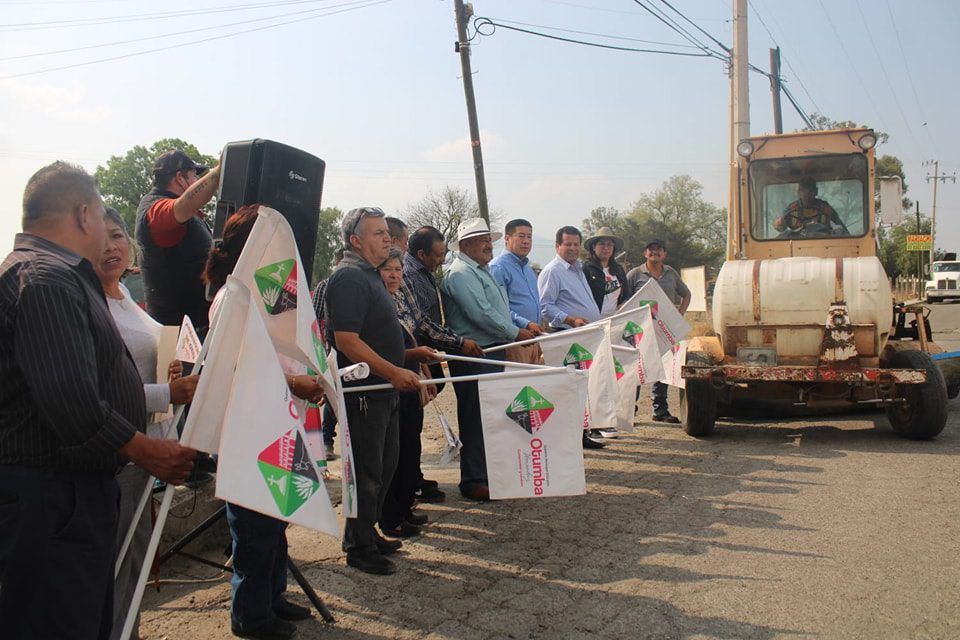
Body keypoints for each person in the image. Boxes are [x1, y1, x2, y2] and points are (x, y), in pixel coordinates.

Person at [0, 161, 196, 640]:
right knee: (59, 621)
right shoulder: (45, 279)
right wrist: (147, 449)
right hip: (53, 500)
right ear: (85, 214)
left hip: (62, 495)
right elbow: (73, 405)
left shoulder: (49, 275)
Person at [202, 205, 325, 640]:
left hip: (283, 421)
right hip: (250, 428)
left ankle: (273, 596)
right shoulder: (231, 299)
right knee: (253, 527)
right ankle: (250, 617)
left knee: (277, 517)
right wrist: (296, 383)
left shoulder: (271, 297)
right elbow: (238, 368)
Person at [96, 207, 200, 640]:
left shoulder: (127, 300)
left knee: (133, 565)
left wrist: (168, 373)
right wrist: (166, 394)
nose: (111, 246)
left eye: (118, 235)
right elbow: (91, 396)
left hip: (147, 453)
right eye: (99, 237)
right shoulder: (86, 305)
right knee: (112, 568)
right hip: (117, 455)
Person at [324, 207, 421, 575]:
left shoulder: (370, 275)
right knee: (367, 471)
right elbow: (347, 341)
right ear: (355, 241)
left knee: (384, 466)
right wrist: (394, 371)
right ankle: (358, 545)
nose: (388, 238)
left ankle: (369, 530)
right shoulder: (349, 278)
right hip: (365, 393)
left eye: (387, 232)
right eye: (378, 233)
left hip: (383, 391)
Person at [441, 218, 535, 501]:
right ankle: (472, 480)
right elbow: (481, 314)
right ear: (466, 244)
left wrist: (514, 330)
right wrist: (514, 332)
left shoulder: (480, 271)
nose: (488, 245)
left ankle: (486, 473)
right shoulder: (459, 274)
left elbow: (498, 309)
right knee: (474, 417)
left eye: (488, 239)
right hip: (474, 354)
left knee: (489, 416)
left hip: (491, 351)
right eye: (482, 240)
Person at [403, 225, 485, 503]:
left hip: (429, 353)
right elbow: (420, 324)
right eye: (437, 255)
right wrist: (459, 343)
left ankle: (413, 477)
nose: (441, 260)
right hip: (416, 356)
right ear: (421, 253)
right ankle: (409, 481)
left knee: (416, 419)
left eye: (444, 254)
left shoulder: (424, 272)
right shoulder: (408, 274)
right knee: (410, 422)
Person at [377, 248, 439, 538]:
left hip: (411, 379)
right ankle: (390, 517)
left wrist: (423, 368)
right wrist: (414, 354)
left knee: (409, 447)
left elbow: (413, 335)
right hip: (388, 385)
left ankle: (403, 509)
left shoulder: (397, 299)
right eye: (388, 269)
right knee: (392, 454)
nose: (394, 275)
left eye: (399, 269)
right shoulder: (375, 303)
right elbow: (381, 352)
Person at [135, 149, 221, 330]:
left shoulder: (187, 216)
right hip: (181, 336)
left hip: (195, 329)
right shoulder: (156, 209)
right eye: (193, 176)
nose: (197, 181)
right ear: (180, 178)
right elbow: (183, 206)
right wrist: (218, 172)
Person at [538, 225, 608, 448]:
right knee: (569, 391)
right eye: (567, 244)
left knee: (581, 390)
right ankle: (568, 440)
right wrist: (570, 319)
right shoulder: (552, 271)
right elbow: (545, 306)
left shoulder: (578, 269)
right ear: (557, 245)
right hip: (567, 338)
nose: (572, 248)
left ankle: (580, 434)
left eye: (576, 244)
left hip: (584, 337)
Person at [626, 239, 691, 424]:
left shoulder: (671, 273)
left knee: (663, 370)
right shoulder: (634, 274)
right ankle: (630, 411)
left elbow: (686, 294)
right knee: (636, 370)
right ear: (645, 253)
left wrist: (680, 312)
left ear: (664, 254)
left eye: (659, 250)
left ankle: (660, 410)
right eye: (651, 250)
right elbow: (624, 299)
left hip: (664, 330)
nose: (655, 252)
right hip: (639, 331)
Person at [489, 218, 544, 364]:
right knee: (522, 386)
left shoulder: (527, 268)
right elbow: (499, 308)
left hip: (534, 339)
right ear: (507, 238)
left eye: (529, 237)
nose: (526, 241)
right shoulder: (498, 267)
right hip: (515, 341)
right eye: (521, 236)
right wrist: (526, 323)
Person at [311, 248, 345, 461]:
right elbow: (313, 319)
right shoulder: (326, 286)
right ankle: (326, 439)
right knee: (330, 395)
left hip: (351, 349)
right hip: (328, 349)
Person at [773, 177, 848, 236]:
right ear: (799, 192)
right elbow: (781, 227)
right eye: (803, 191)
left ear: (816, 191)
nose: (807, 194)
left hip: (823, 243)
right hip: (796, 245)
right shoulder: (792, 208)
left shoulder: (824, 207)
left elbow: (840, 226)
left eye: (810, 191)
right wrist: (779, 224)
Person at [582, 226, 628, 319]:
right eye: (602, 244)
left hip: (614, 321)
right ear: (594, 247)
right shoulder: (586, 269)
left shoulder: (618, 270)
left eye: (609, 244)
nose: (606, 248)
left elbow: (626, 295)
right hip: (592, 322)